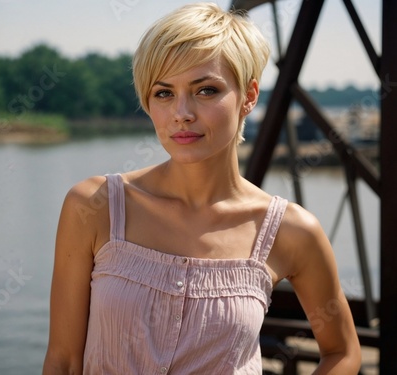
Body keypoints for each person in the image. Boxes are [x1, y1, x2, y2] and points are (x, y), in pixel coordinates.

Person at [42, 2, 361, 374]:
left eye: (206, 90)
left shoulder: (292, 232)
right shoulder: (95, 207)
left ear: (249, 96)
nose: (182, 113)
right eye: (163, 93)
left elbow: (341, 352)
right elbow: (63, 360)